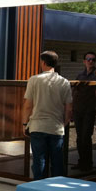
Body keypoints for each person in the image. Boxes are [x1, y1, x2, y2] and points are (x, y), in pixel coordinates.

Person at [22, 50, 72, 180]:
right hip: (56, 126)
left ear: (43, 62)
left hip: (38, 125)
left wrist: (24, 123)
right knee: (57, 161)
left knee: (39, 160)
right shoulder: (64, 82)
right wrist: (65, 122)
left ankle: (39, 189)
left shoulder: (34, 80)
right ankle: (57, 189)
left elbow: (28, 105)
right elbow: (69, 107)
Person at [72, 51, 96, 172]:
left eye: (93, 59)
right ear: (84, 61)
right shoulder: (80, 75)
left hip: (89, 109)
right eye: (88, 59)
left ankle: (88, 164)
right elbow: (75, 91)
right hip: (78, 109)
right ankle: (81, 162)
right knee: (78, 137)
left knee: (86, 137)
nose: (90, 61)